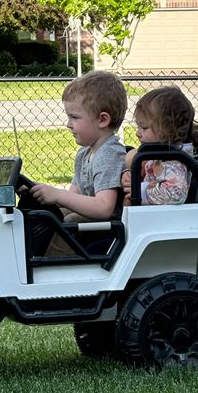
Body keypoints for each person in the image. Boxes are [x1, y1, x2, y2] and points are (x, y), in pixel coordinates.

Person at [28, 70, 128, 255]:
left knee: (71, 220)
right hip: (95, 225)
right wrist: (41, 193)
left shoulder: (108, 153)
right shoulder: (85, 153)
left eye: (74, 117)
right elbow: (72, 197)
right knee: (52, 215)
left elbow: (104, 208)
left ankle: (54, 268)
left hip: (109, 230)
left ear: (102, 120)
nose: (68, 124)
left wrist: (58, 195)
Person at [121, 86, 198, 206]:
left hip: (161, 220)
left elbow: (174, 194)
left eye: (144, 128)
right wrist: (129, 174)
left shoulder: (173, 161)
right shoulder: (158, 155)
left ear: (168, 128)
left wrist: (139, 192)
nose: (137, 133)